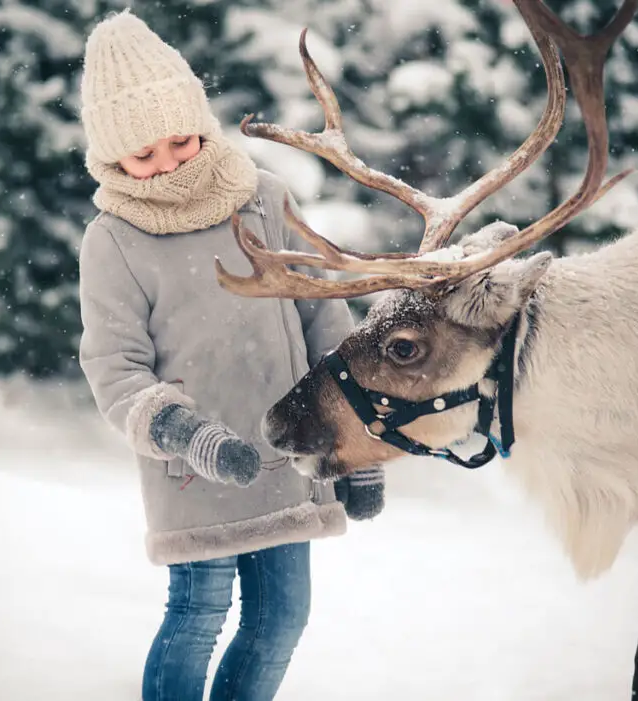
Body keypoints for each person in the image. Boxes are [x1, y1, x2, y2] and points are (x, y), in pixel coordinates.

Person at [75, 10, 385, 701]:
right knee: (198, 613)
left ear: (200, 122)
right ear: (110, 158)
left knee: (281, 617)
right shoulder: (114, 240)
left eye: (180, 140)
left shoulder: (262, 197)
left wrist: (354, 440)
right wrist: (184, 433)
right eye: (142, 154)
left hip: (290, 451)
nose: (167, 165)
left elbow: (323, 321)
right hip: (191, 467)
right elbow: (115, 368)